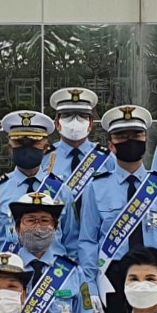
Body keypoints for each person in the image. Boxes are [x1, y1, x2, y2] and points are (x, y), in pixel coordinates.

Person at [78, 105, 157, 313]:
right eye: (121, 136)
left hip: (155, 275)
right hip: (112, 277)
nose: (130, 140)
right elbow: (88, 240)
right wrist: (90, 283)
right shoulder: (96, 187)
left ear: (145, 139)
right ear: (111, 145)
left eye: (136, 135)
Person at [10, 192, 94, 313]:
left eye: (44, 220)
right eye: (30, 220)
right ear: (17, 228)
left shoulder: (73, 272)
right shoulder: (7, 270)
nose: (38, 227)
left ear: (56, 228)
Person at [0, 110, 75, 255]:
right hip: (11, 274)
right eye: (20, 143)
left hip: (53, 275)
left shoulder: (62, 191)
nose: (26, 148)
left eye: (33, 142)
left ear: (45, 147)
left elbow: (72, 244)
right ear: (10, 148)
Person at [45, 86, 109, 225]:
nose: (75, 121)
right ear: (57, 123)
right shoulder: (44, 157)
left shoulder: (107, 158)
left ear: (91, 123)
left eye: (82, 116)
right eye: (67, 115)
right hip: (56, 238)